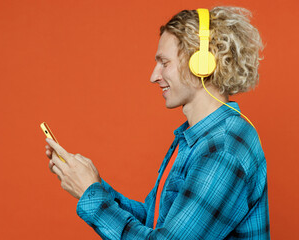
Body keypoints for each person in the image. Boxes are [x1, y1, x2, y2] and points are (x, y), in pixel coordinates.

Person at [45, 6, 270, 239]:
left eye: (164, 62)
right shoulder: (193, 139)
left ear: (201, 63)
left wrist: (89, 193)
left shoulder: (222, 150)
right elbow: (154, 221)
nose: (154, 76)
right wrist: (93, 185)